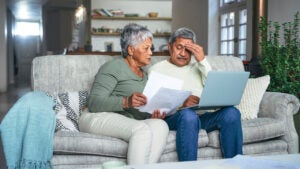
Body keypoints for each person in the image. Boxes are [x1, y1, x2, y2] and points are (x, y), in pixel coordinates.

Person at [79, 23, 169, 165]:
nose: (151, 53)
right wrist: (126, 101)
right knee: (142, 130)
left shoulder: (145, 75)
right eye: (146, 48)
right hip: (96, 116)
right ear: (131, 50)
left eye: (151, 48)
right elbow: (93, 103)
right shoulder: (114, 66)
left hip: (127, 121)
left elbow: (137, 112)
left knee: (160, 125)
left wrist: (152, 114)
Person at [148, 27, 243, 161]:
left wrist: (202, 61)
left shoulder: (199, 66)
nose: (183, 53)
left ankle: (237, 164)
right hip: (176, 118)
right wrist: (182, 105)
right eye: (179, 47)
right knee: (188, 115)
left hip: (202, 116)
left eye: (188, 49)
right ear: (170, 47)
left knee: (231, 112)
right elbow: (154, 105)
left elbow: (215, 90)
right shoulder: (156, 70)